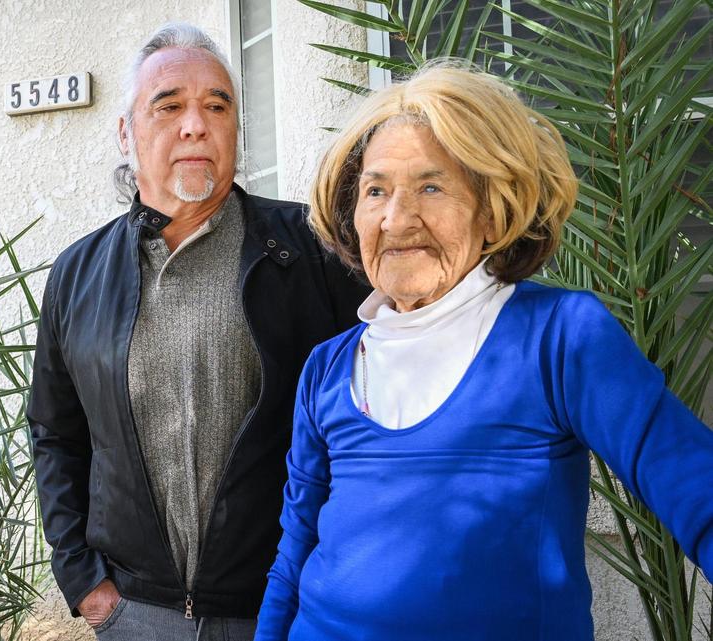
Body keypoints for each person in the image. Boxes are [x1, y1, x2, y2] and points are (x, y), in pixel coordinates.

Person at [254, 63, 713, 641]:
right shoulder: (328, 367)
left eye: (430, 186)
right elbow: (296, 552)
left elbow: (695, 486)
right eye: (376, 191)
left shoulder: (559, 337)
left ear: (492, 214)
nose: (396, 218)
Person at [27, 22, 369, 641]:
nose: (196, 125)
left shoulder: (312, 251)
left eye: (217, 105)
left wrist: (335, 571)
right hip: (134, 614)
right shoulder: (78, 274)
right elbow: (56, 433)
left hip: (281, 606)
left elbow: (367, 415)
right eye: (169, 106)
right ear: (126, 132)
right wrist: (84, 582)